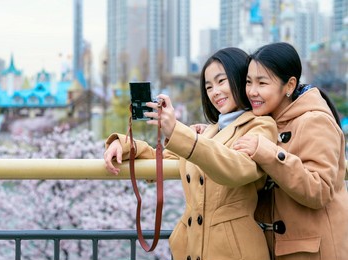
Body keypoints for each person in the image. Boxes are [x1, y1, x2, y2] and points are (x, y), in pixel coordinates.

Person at [104, 47, 277, 260]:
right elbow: (165, 160)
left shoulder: (261, 126)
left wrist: (178, 130)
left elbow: (236, 169)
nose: (215, 92)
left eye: (221, 81)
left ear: (241, 79)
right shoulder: (209, 131)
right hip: (194, 247)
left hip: (234, 251)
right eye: (208, 86)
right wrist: (125, 145)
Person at [233, 42, 348, 260]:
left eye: (262, 82)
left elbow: (320, 189)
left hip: (316, 252)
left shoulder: (315, 121)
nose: (252, 91)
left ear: (289, 85)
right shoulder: (265, 123)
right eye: (248, 82)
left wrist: (268, 154)